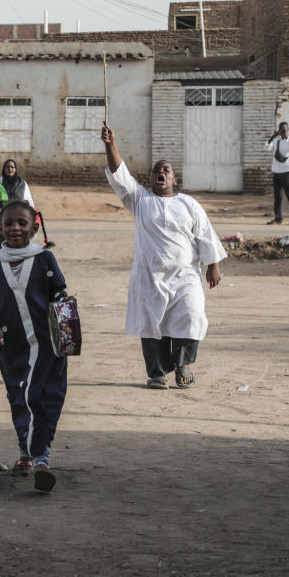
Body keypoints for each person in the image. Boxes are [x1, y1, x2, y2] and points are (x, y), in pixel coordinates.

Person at [102, 123, 226, 390]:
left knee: (191, 315)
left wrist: (213, 265)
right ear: (150, 180)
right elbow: (118, 172)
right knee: (152, 325)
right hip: (150, 277)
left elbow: (205, 234)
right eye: (156, 170)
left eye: (165, 170)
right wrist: (110, 144)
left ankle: (183, 365)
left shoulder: (189, 204)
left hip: (185, 277)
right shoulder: (140, 200)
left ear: (174, 180)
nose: (160, 172)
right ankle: (157, 373)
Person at [0, 200, 69, 493]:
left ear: (35, 228)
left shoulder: (44, 260)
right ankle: (28, 453)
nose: (15, 228)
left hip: (46, 344)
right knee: (19, 397)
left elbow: (58, 292)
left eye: (22, 223)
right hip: (11, 346)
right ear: (0, 228)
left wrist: (65, 315)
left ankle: (41, 457)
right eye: (8, 224)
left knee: (40, 395)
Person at [0, 159, 35, 249]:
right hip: (2, 220)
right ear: (4, 169)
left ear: (15, 169)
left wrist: (31, 215)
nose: (10, 169)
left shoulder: (22, 183)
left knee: (18, 246)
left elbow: (29, 201)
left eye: (12, 167)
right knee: (3, 247)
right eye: (8, 167)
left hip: (19, 220)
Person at [266, 122, 289, 225]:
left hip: (286, 172)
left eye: (284, 129)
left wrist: (286, 138)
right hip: (276, 172)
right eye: (281, 130)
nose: (283, 131)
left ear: (288, 129)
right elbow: (267, 147)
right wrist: (274, 135)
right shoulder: (276, 140)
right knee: (277, 197)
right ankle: (278, 218)